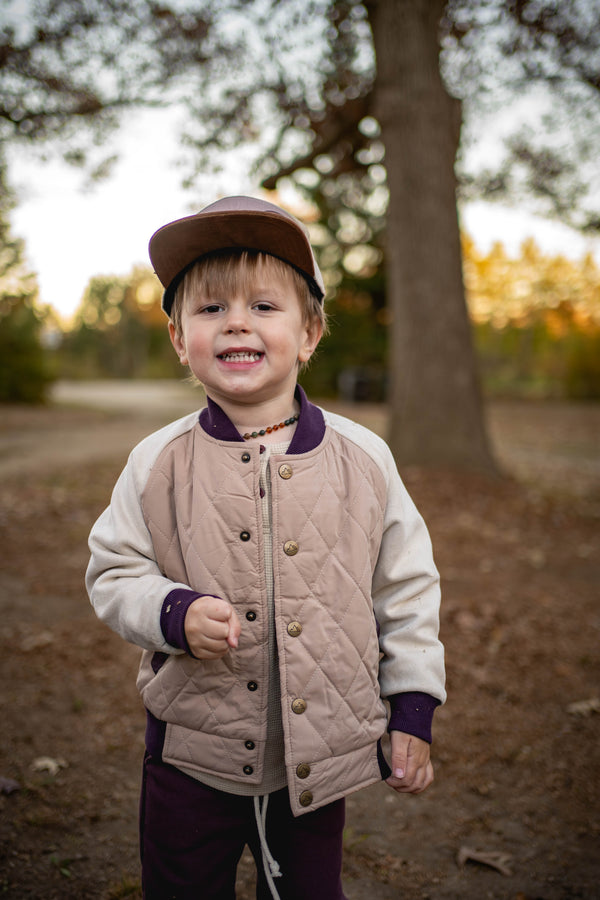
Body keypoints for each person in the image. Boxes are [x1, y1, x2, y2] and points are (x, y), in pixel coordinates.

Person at [86, 195, 446, 900]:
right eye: (211, 308)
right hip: (193, 754)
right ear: (179, 338)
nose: (236, 322)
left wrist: (411, 705)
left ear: (309, 333)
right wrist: (171, 611)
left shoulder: (364, 459)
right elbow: (113, 570)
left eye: (262, 306)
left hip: (317, 762)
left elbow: (405, 587)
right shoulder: (157, 461)